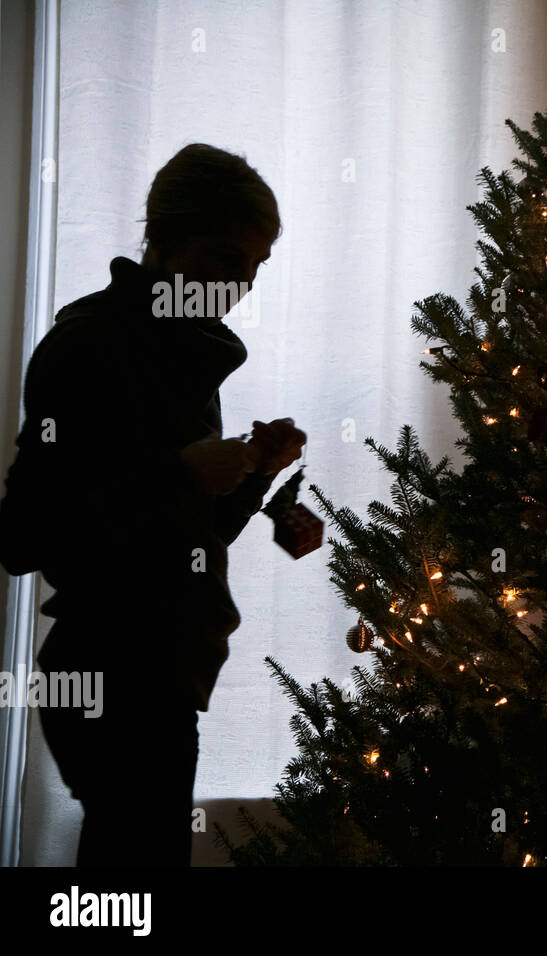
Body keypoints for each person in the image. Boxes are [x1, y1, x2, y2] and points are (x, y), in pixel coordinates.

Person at [0, 143, 306, 866]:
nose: (239, 286)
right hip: (110, 674)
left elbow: (187, 536)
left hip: (161, 675)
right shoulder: (91, 345)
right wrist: (179, 471)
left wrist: (254, 472)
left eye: (254, 269)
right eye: (222, 259)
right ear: (163, 241)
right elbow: (22, 536)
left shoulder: (182, 351)